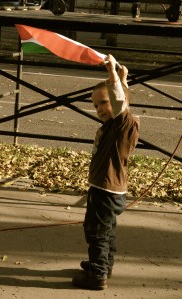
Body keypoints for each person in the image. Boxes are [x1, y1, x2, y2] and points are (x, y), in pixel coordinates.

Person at [72, 54, 140, 290]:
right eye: (96, 105)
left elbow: (120, 100)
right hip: (112, 190)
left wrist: (112, 72)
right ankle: (104, 265)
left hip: (105, 190)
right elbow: (122, 98)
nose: (99, 108)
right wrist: (122, 79)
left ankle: (98, 275)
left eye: (103, 102)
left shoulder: (123, 124)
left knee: (96, 232)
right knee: (107, 230)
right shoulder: (117, 125)